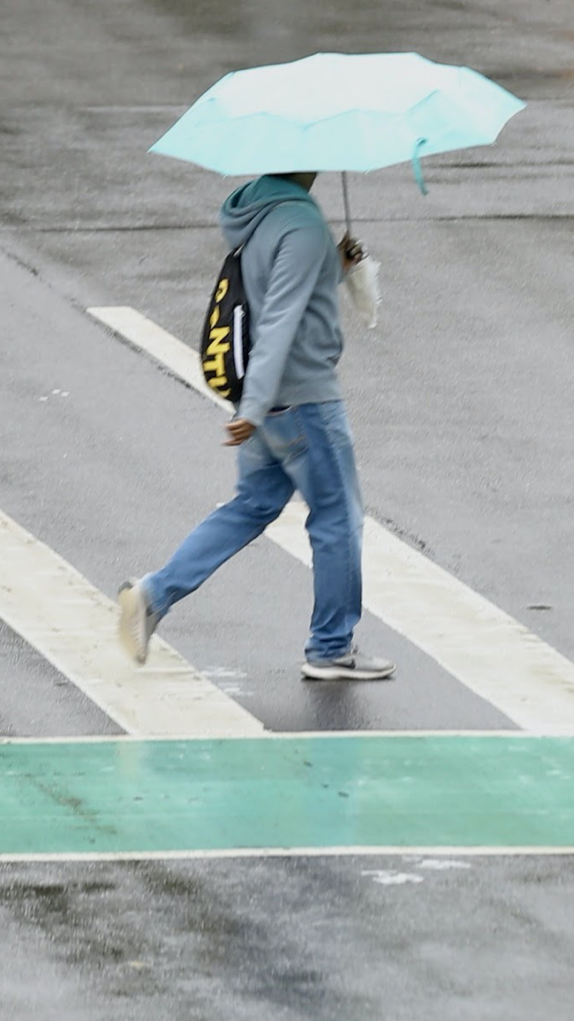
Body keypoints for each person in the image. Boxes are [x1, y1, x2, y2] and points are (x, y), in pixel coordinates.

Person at [117, 171, 394, 681]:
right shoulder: (303, 224)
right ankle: (331, 647)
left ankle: (152, 596)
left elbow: (277, 290)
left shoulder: (260, 215)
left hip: (267, 402)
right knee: (338, 518)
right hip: (302, 398)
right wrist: (254, 404)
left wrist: (336, 265)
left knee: (252, 505)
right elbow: (281, 317)